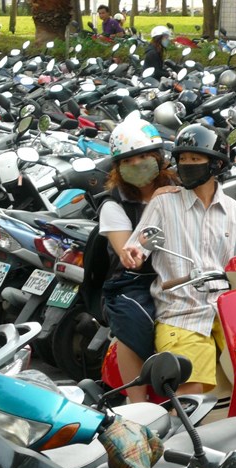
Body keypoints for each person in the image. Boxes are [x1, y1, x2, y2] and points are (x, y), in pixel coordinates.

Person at [124, 124, 236, 396]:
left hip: (226, 314)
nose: (187, 165)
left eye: (195, 159)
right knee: (193, 394)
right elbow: (138, 246)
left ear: (215, 164)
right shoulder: (164, 204)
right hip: (181, 313)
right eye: (183, 159)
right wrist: (135, 253)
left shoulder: (233, 211)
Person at [100, 118, 178, 403]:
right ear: (119, 167)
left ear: (159, 158)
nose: (140, 163)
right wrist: (156, 205)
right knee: (134, 320)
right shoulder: (114, 205)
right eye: (131, 159)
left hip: (180, 273)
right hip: (133, 281)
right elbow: (129, 256)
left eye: (146, 156)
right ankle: (137, 401)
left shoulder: (180, 189)